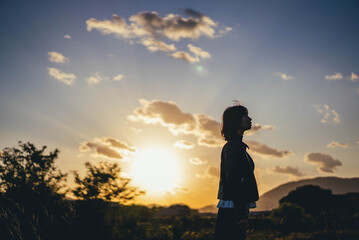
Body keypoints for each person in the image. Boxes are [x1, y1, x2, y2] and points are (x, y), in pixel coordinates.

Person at [214, 102, 259, 240]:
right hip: (232, 213)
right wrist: (241, 215)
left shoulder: (237, 146)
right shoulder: (233, 147)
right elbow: (234, 183)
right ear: (236, 121)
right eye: (245, 116)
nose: (249, 119)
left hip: (234, 210)